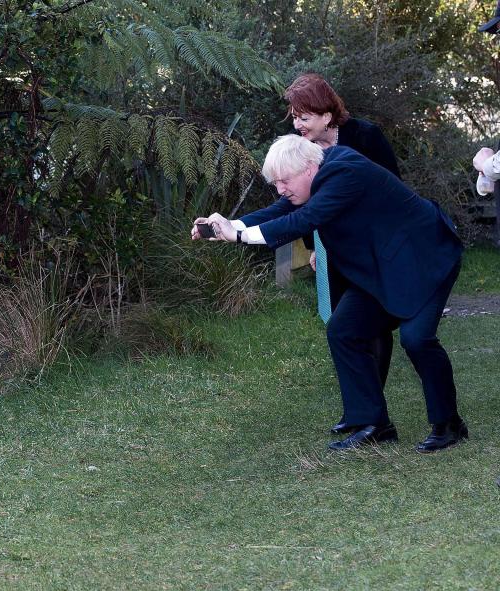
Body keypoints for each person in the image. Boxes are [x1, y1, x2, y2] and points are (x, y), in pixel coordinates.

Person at [192, 135, 466, 452]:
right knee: (344, 330)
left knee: (417, 339)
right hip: (383, 266)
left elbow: (304, 220)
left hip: (425, 257)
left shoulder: (344, 173)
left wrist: (238, 235)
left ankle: (449, 424)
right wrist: (229, 224)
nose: (280, 188)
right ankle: (373, 424)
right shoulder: (316, 173)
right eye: (276, 182)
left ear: (309, 167)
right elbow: (281, 209)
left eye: (284, 180)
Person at [282, 73, 401, 437]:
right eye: (294, 116)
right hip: (332, 248)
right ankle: (359, 410)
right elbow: (300, 199)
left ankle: (372, 410)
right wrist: (312, 247)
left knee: (372, 325)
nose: (297, 123)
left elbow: (392, 191)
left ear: (326, 114)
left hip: (374, 249)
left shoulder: (366, 136)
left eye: (304, 116)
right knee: (342, 325)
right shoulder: (303, 149)